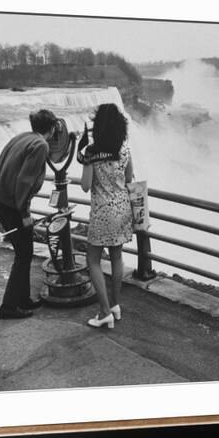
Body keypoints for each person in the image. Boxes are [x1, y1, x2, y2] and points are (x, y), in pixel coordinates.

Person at [0, 109, 58, 319]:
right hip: (13, 206)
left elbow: (1, 164)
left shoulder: (21, 137)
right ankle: (8, 307)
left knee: (24, 253)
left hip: (2, 202)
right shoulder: (41, 145)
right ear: (52, 128)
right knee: (23, 255)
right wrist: (25, 213)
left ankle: (23, 299)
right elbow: (24, 181)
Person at [79, 103, 134, 329]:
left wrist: (86, 161)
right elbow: (129, 178)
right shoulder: (124, 150)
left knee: (92, 259)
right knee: (116, 257)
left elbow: (84, 186)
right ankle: (115, 306)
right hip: (123, 210)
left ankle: (103, 313)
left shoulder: (92, 152)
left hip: (102, 212)